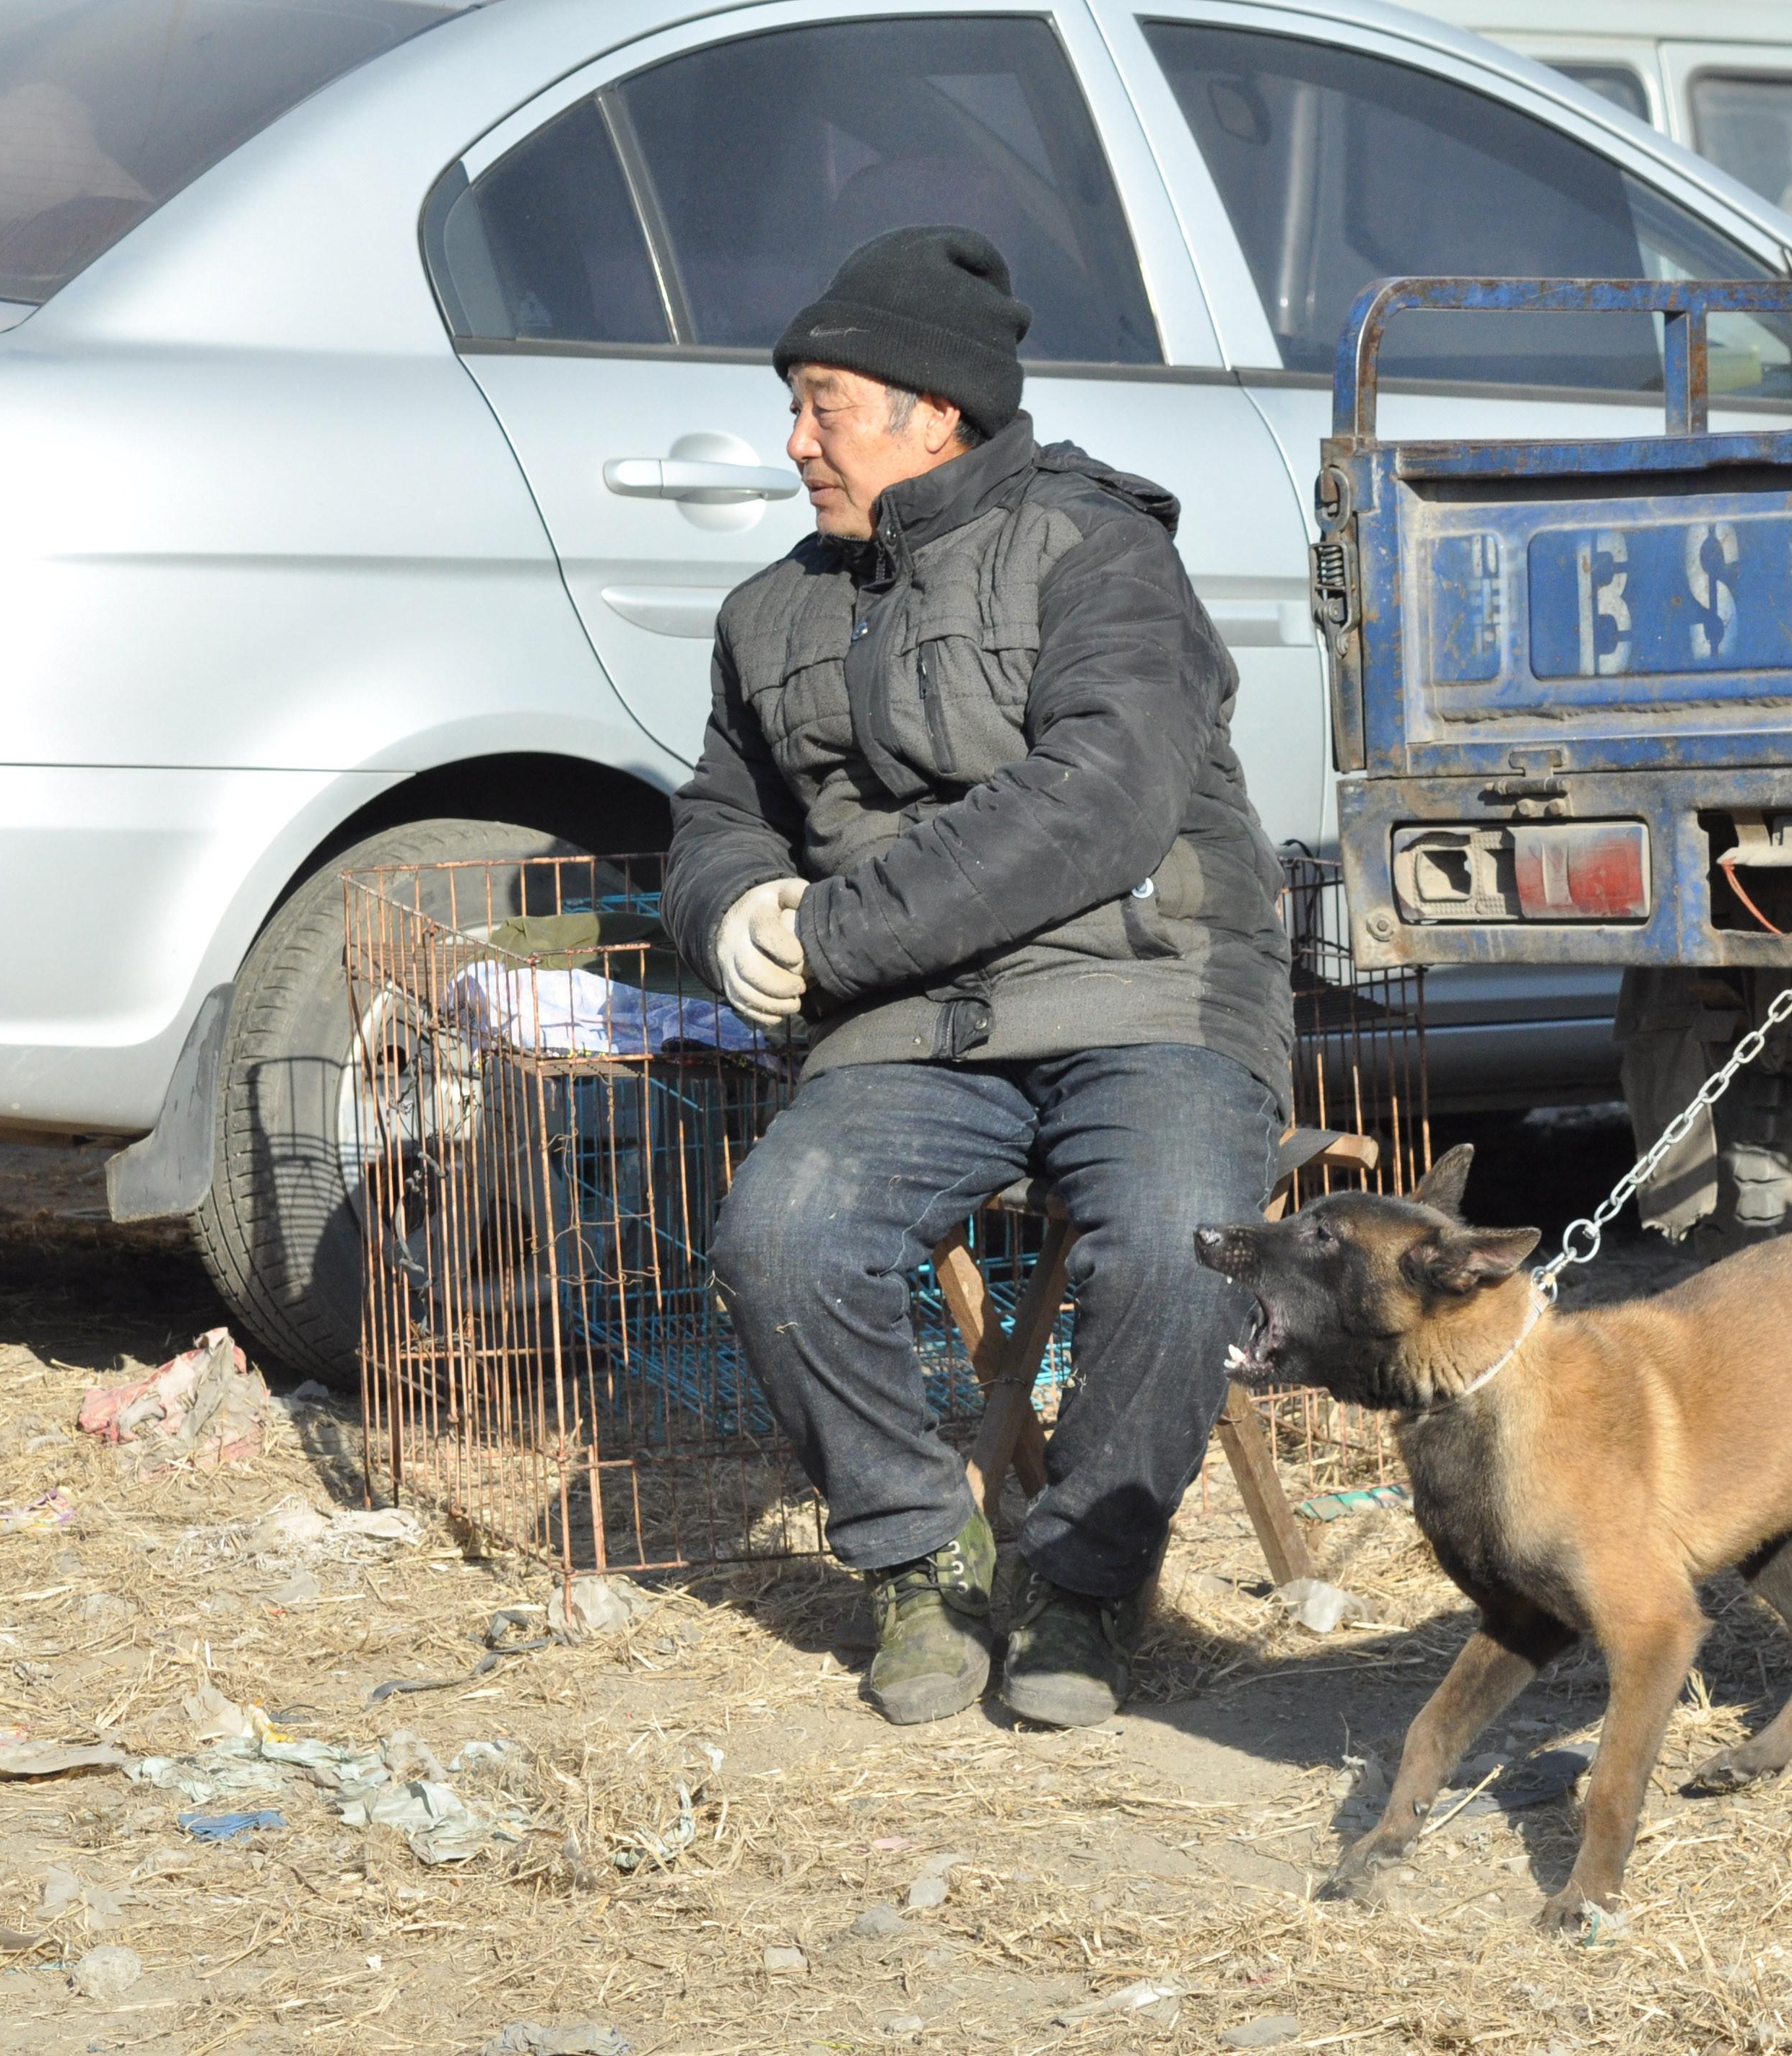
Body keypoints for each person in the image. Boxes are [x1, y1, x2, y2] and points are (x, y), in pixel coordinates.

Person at [664, 226, 1291, 1729]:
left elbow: (1099, 798)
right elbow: (715, 808)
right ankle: (915, 1556)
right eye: (796, 404)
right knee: (781, 1238)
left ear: (929, 411)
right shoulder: (770, 608)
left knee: (1175, 1244)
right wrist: (733, 904)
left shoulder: (1101, 554)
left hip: (1146, 992)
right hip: (910, 1028)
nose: (793, 438)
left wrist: (827, 934)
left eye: (822, 402)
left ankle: (1081, 1578)